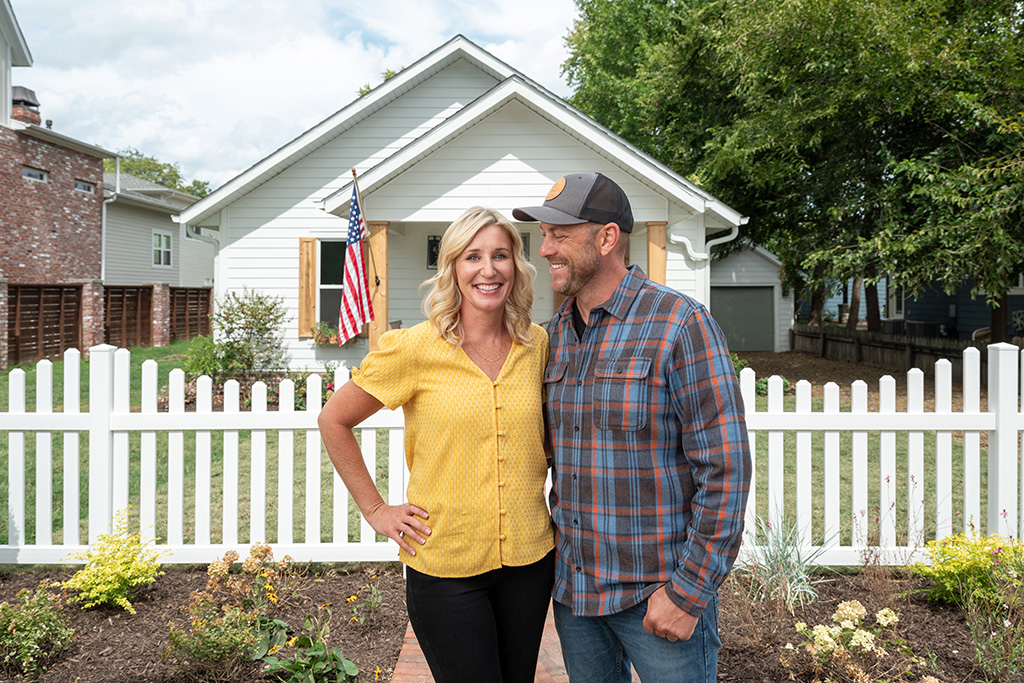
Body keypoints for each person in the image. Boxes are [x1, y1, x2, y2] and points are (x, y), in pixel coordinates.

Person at [513, 173, 751, 683]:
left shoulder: (680, 324)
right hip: (576, 596)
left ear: (606, 238)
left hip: (658, 594)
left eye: (560, 235)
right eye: (545, 235)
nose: (546, 249)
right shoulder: (554, 336)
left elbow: (726, 469)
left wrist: (688, 593)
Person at [317, 206, 554, 683]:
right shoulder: (413, 348)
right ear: (452, 268)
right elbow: (333, 420)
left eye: (500, 255)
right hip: (445, 565)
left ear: (515, 266)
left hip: (530, 561)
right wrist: (376, 510)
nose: (488, 269)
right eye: (473, 257)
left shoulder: (538, 346)